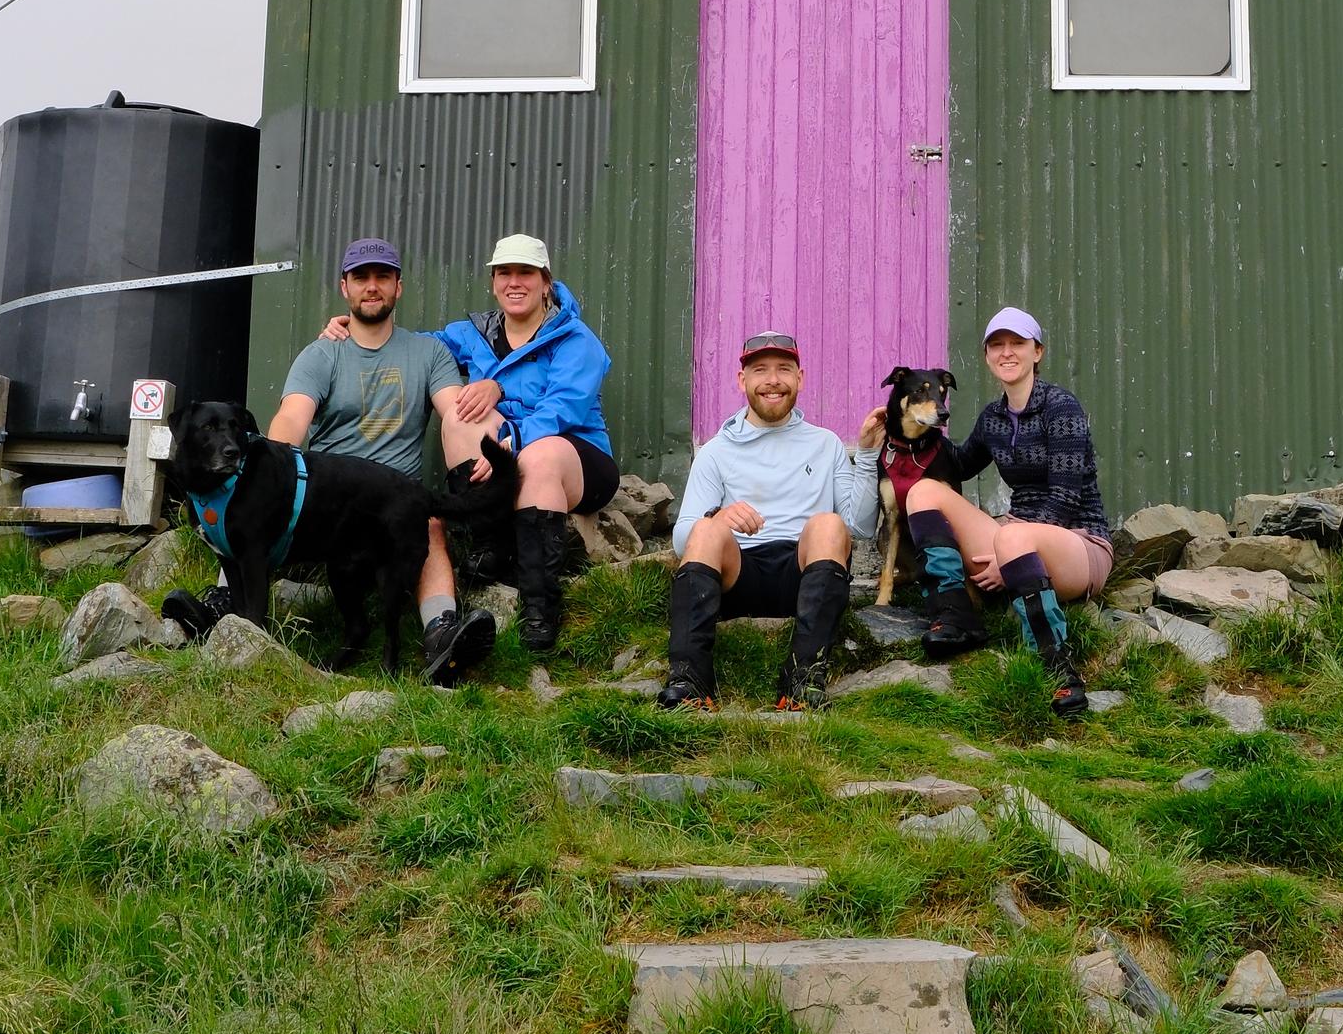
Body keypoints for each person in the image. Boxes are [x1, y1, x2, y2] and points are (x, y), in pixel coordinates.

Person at [259, 236, 492, 685]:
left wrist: (482, 444)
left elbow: (456, 411)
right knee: (259, 506)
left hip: (394, 501)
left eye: (382, 277)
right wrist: (273, 469)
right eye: (361, 277)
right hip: (329, 498)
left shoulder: (428, 353)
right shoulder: (322, 352)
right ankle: (224, 605)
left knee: (429, 522)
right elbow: (292, 417)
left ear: (398, 287)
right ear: (344, 287)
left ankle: (441, 632)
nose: (371, 286)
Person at [887, 305, 1110, 714]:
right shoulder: (993, 417)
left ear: (1037, 352)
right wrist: (902, 434)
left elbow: (1065, 499)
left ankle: (1057, 669)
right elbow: (958, 464)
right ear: (988, 356)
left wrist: (1007, 557)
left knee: (1011, 535)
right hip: (1014, 537)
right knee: (923, 492)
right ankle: (957, 618)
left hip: (1079, 543)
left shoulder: (1061, 408)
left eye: (1017, 343)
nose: (1006, 352)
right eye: (996, 345)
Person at [659, 333, 878, 712]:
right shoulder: (715, 452)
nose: (773, 380)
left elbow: (859, 526)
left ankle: (803, 682)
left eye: (784, 369)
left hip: (805, 574)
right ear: (742, 380)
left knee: (828, 524)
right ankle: (690, 683)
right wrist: (719, 517)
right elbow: (682, 540)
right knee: (705, 528)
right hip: (738, 577)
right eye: (760, 370)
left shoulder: (826, 444)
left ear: (800, 378)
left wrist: (869, 455)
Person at [426, 233, 618, 652]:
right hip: (508, 453)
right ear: (494, 282)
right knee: (460, 414)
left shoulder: (575, 339)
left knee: (539, 456)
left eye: (526, 273)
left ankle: (540, 606)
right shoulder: (473, 334)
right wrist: (353, 329)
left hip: (575, 457)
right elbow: (417, 350)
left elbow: (561, 410)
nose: (515, 282)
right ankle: (491, 545)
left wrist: (504, 415)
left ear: (545, 282)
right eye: (504, 273)